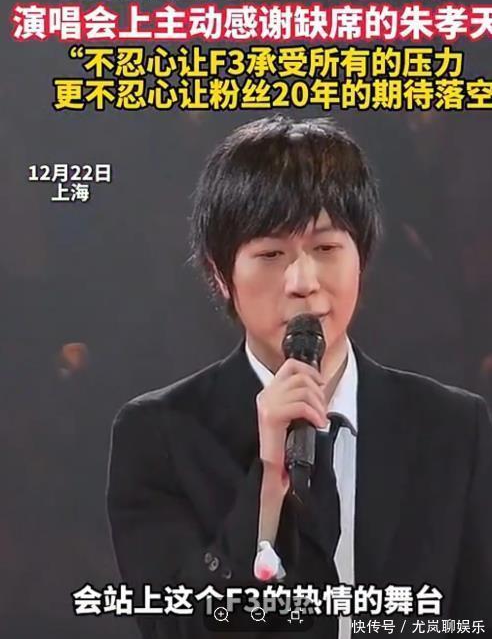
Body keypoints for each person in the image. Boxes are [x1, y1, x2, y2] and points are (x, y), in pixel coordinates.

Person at [106, 115, 492, 639]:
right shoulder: (159, 434)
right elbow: (179, 629)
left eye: (326, 249)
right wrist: (269, 482)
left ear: (362, 258)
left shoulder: (453, 426)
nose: (303, 282)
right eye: (270, 254)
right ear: (221, 275)